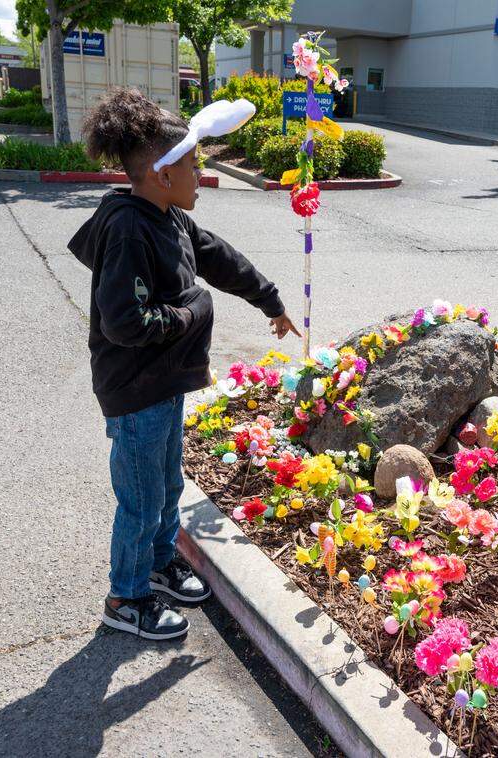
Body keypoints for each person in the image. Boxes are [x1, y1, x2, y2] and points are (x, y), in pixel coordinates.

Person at [69, 88, 299, 640]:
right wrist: (193, 311)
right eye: (194, 165)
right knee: (140, 499)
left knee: (166, 484)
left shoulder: (169, 216)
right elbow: (125, 323)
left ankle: (160, 563)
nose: (202, 175)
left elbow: (219, 258)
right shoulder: (128, 229)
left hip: (163, 384)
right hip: (136, 390)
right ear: (161, 173)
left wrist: (270, 299)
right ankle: (126, 597)